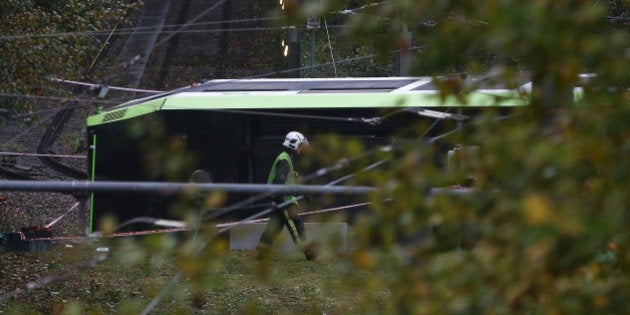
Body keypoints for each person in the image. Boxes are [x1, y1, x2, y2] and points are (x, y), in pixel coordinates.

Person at [256, 131, 318, 261]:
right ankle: (308, 252)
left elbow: (290, 182)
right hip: (283, 199)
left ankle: (262, 252)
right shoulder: (284, 159)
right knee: (296, 223)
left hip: (281, 197)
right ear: (294, 145)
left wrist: (303, 192)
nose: (302, 149)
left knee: (275, 225)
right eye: (301, 146)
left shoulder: (287, 159)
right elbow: (279, 181)